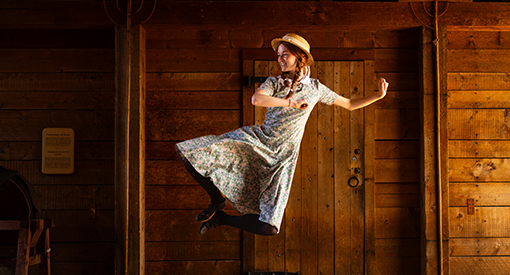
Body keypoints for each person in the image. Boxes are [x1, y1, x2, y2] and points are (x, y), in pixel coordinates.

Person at [175, 33, 389, 236]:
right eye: (278, 55)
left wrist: (378, 96)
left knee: (268, 228)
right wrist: (290, 102)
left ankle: (221, 219)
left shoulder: (316, 88)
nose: (280, 59)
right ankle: (217, 200)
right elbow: (257, 100)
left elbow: (350, 104)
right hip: (259, 142)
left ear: (300, 57)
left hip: (283, 159)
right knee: (191, 156)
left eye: (284, 54)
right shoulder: (275, 83)